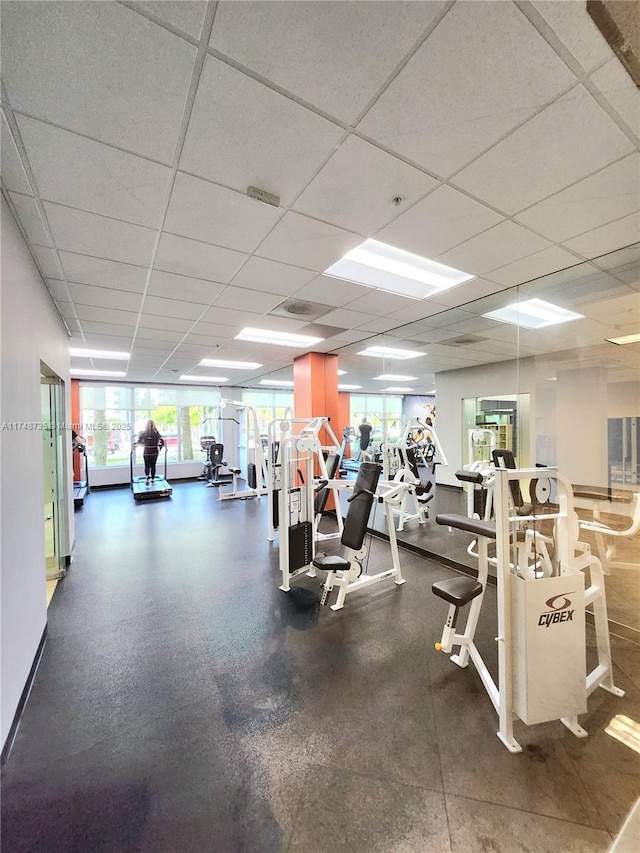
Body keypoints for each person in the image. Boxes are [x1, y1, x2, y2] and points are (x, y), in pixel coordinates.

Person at [138, 420, 165, 485]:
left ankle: (147, 478)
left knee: (147, 465)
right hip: (154, 451)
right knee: (153, 465)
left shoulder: (144, 433)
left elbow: (139, 441)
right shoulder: (157, 433)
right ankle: (152, 480)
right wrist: (159, 448)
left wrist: (145, 444)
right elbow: (162, 442)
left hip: (147, 451)